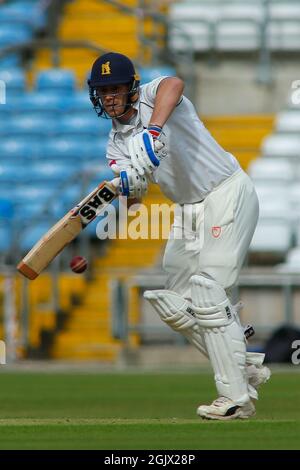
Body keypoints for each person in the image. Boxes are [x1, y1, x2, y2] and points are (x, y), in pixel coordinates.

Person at [88, 52, 271, 420]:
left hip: (224, 191)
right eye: (103, 90)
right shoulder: (116, 145)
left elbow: (176, 83)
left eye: (116, 88)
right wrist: (129, 187)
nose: (109, 97)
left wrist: (152, 130)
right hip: (188, 210)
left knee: (208, 291)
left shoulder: (156, 95)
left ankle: (236, 398)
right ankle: (245, 366)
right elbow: (135, 201)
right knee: (175, 303)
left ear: (132, 87)